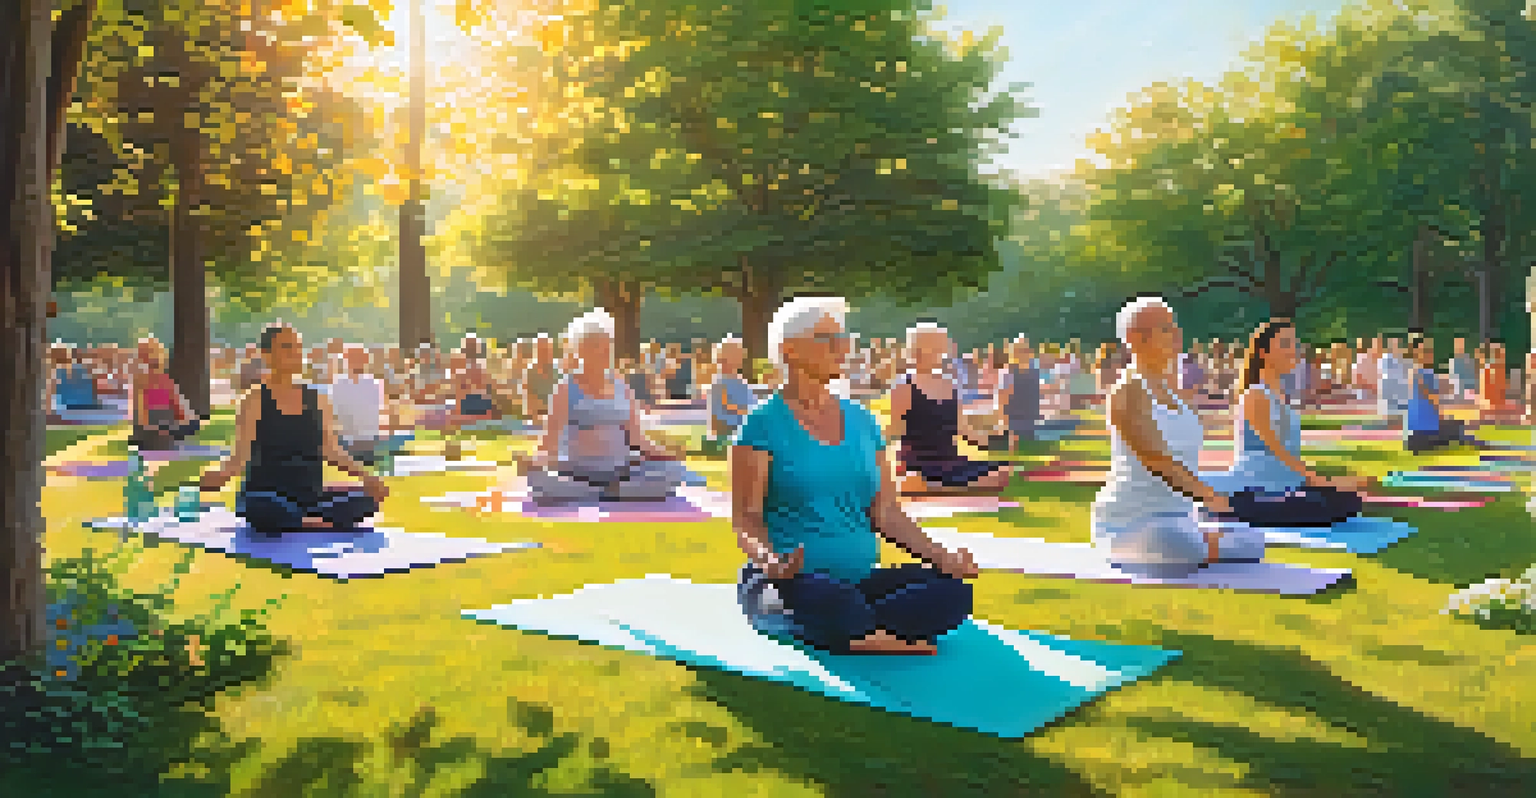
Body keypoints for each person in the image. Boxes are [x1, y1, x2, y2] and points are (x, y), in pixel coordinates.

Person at [733, 296, 978, 655]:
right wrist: (770, 560)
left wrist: (941, 556)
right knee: (828, 598)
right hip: (790, 579)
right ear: (789, 351)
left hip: (859, 581)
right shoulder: (761, 426)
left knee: (952, 592)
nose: (841, 347)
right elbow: (746, 518)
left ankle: (852, 629)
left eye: (843, 338)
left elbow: (887, 513)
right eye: (826, 338)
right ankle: (842, 623)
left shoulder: (863, 421)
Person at [1093, 297, 1256, 577]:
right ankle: (1202, 544)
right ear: (1136, 338)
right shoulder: (1128, 391)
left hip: (1181, 518)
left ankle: (1203, 541)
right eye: (1166, 329)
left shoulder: (1174, 392)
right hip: (1132, 522)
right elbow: (1156, 459)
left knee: (1253, 542)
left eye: (1175, 327)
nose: (1177, 335)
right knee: (1176, 545)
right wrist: (1209, 496)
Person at [200, 324, 387, 535]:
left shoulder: (318, 399)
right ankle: (315, 521)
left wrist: (367, 477)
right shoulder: (254, 399)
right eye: (287, 347)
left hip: (309, 495)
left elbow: (331, 451)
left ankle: (303, 520)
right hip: (267, 494)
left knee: (366, 501)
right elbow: (240, 457)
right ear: (266, 355)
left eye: (298, 347)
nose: (296, 353)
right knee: (262, 507)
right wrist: (220, 475)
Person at [1202, 320, 1365, 527]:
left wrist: (1329, 481)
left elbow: (1289, 452)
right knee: (1323, 508)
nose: (1294, 350)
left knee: (1348, 501)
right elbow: (1277, 450)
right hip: (1255, 485)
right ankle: (1228, 506)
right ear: (1263, 352)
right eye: (1286, 344)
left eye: (1295, 344)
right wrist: (1319, 480)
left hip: (1286, 484)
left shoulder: (1282, 395)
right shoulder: (1256, 395)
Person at [525, 309, 693, 505]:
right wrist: (536, 461)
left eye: (608, 346)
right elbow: (550, 441)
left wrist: (665, 453)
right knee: (539, 482)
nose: (604, 352)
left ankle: (600, 492)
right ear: (580, 350)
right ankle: (607, 492)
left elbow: (637, 439)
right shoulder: (565, 388)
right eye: (597, 346)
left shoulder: (622, 387)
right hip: (575, 471)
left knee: (672, 474)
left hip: (618, 471)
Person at [888, 323, 1013, 495]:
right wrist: (895, 467)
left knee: (1003, 473)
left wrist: (996, 441)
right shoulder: (903, 386)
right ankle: (926, 485)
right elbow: (893, 433)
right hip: (919, 464)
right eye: (937, 347)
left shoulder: (949, 384)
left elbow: (963, 429)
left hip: (951, 462)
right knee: (914, 478)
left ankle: (933, 487)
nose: (942, 353)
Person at [1406, 334, 1483, 453]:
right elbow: (1434, 401)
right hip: (1427, 432)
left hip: (1412, 435)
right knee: (1457, 426)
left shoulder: (1412, 374)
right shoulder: (1426, 374)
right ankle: (1469, 441)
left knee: (1451, 425)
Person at [129, 337, 202, 450]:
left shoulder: (142, 379)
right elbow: (179, 408)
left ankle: (157, 434)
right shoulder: (161, 380)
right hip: (159, 423)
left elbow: (139, 410)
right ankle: (159, 434)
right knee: (192, 422)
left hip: (154, 424)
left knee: (189, 421)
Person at [329, 345, 388, 465]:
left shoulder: (375, 384)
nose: (356, 361)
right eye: (352, 358)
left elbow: (378, 413)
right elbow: (333, 415)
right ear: (346, 360)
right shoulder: (338, 385)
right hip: (346, 441)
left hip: (368, 441)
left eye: (359, 358)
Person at [993, 336, 1041, 451]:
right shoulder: (1008, 372)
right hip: (1014, 422)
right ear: (1013, 352)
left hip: (1030, 421)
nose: (1023, 353)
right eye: (1020, 350)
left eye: (1025, 350)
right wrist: (1003, 426)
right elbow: (1002, 400)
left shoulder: (1034, 371)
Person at [708, 336, 755, 447]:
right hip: (729, 428)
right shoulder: (720, 382)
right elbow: (725, 405)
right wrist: (747, 412)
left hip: (744, 425)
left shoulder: (740, 380)